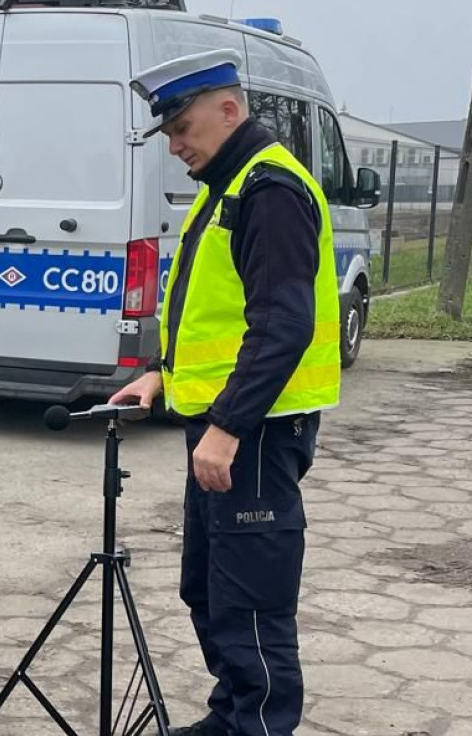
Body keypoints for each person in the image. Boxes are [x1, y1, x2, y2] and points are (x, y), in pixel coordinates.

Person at [109, 49, 342, 736]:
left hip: (258, 433)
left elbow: (282, 324)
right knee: (209, 589)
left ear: (229, 110)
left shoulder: (268, 190)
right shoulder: (229, 185)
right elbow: (214, 308)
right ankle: (233, 716)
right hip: (226, 423)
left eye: (182, 128)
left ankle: (259, 725)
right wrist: (161, 373)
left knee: (251, 603)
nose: (175, 146)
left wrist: (230, 426)